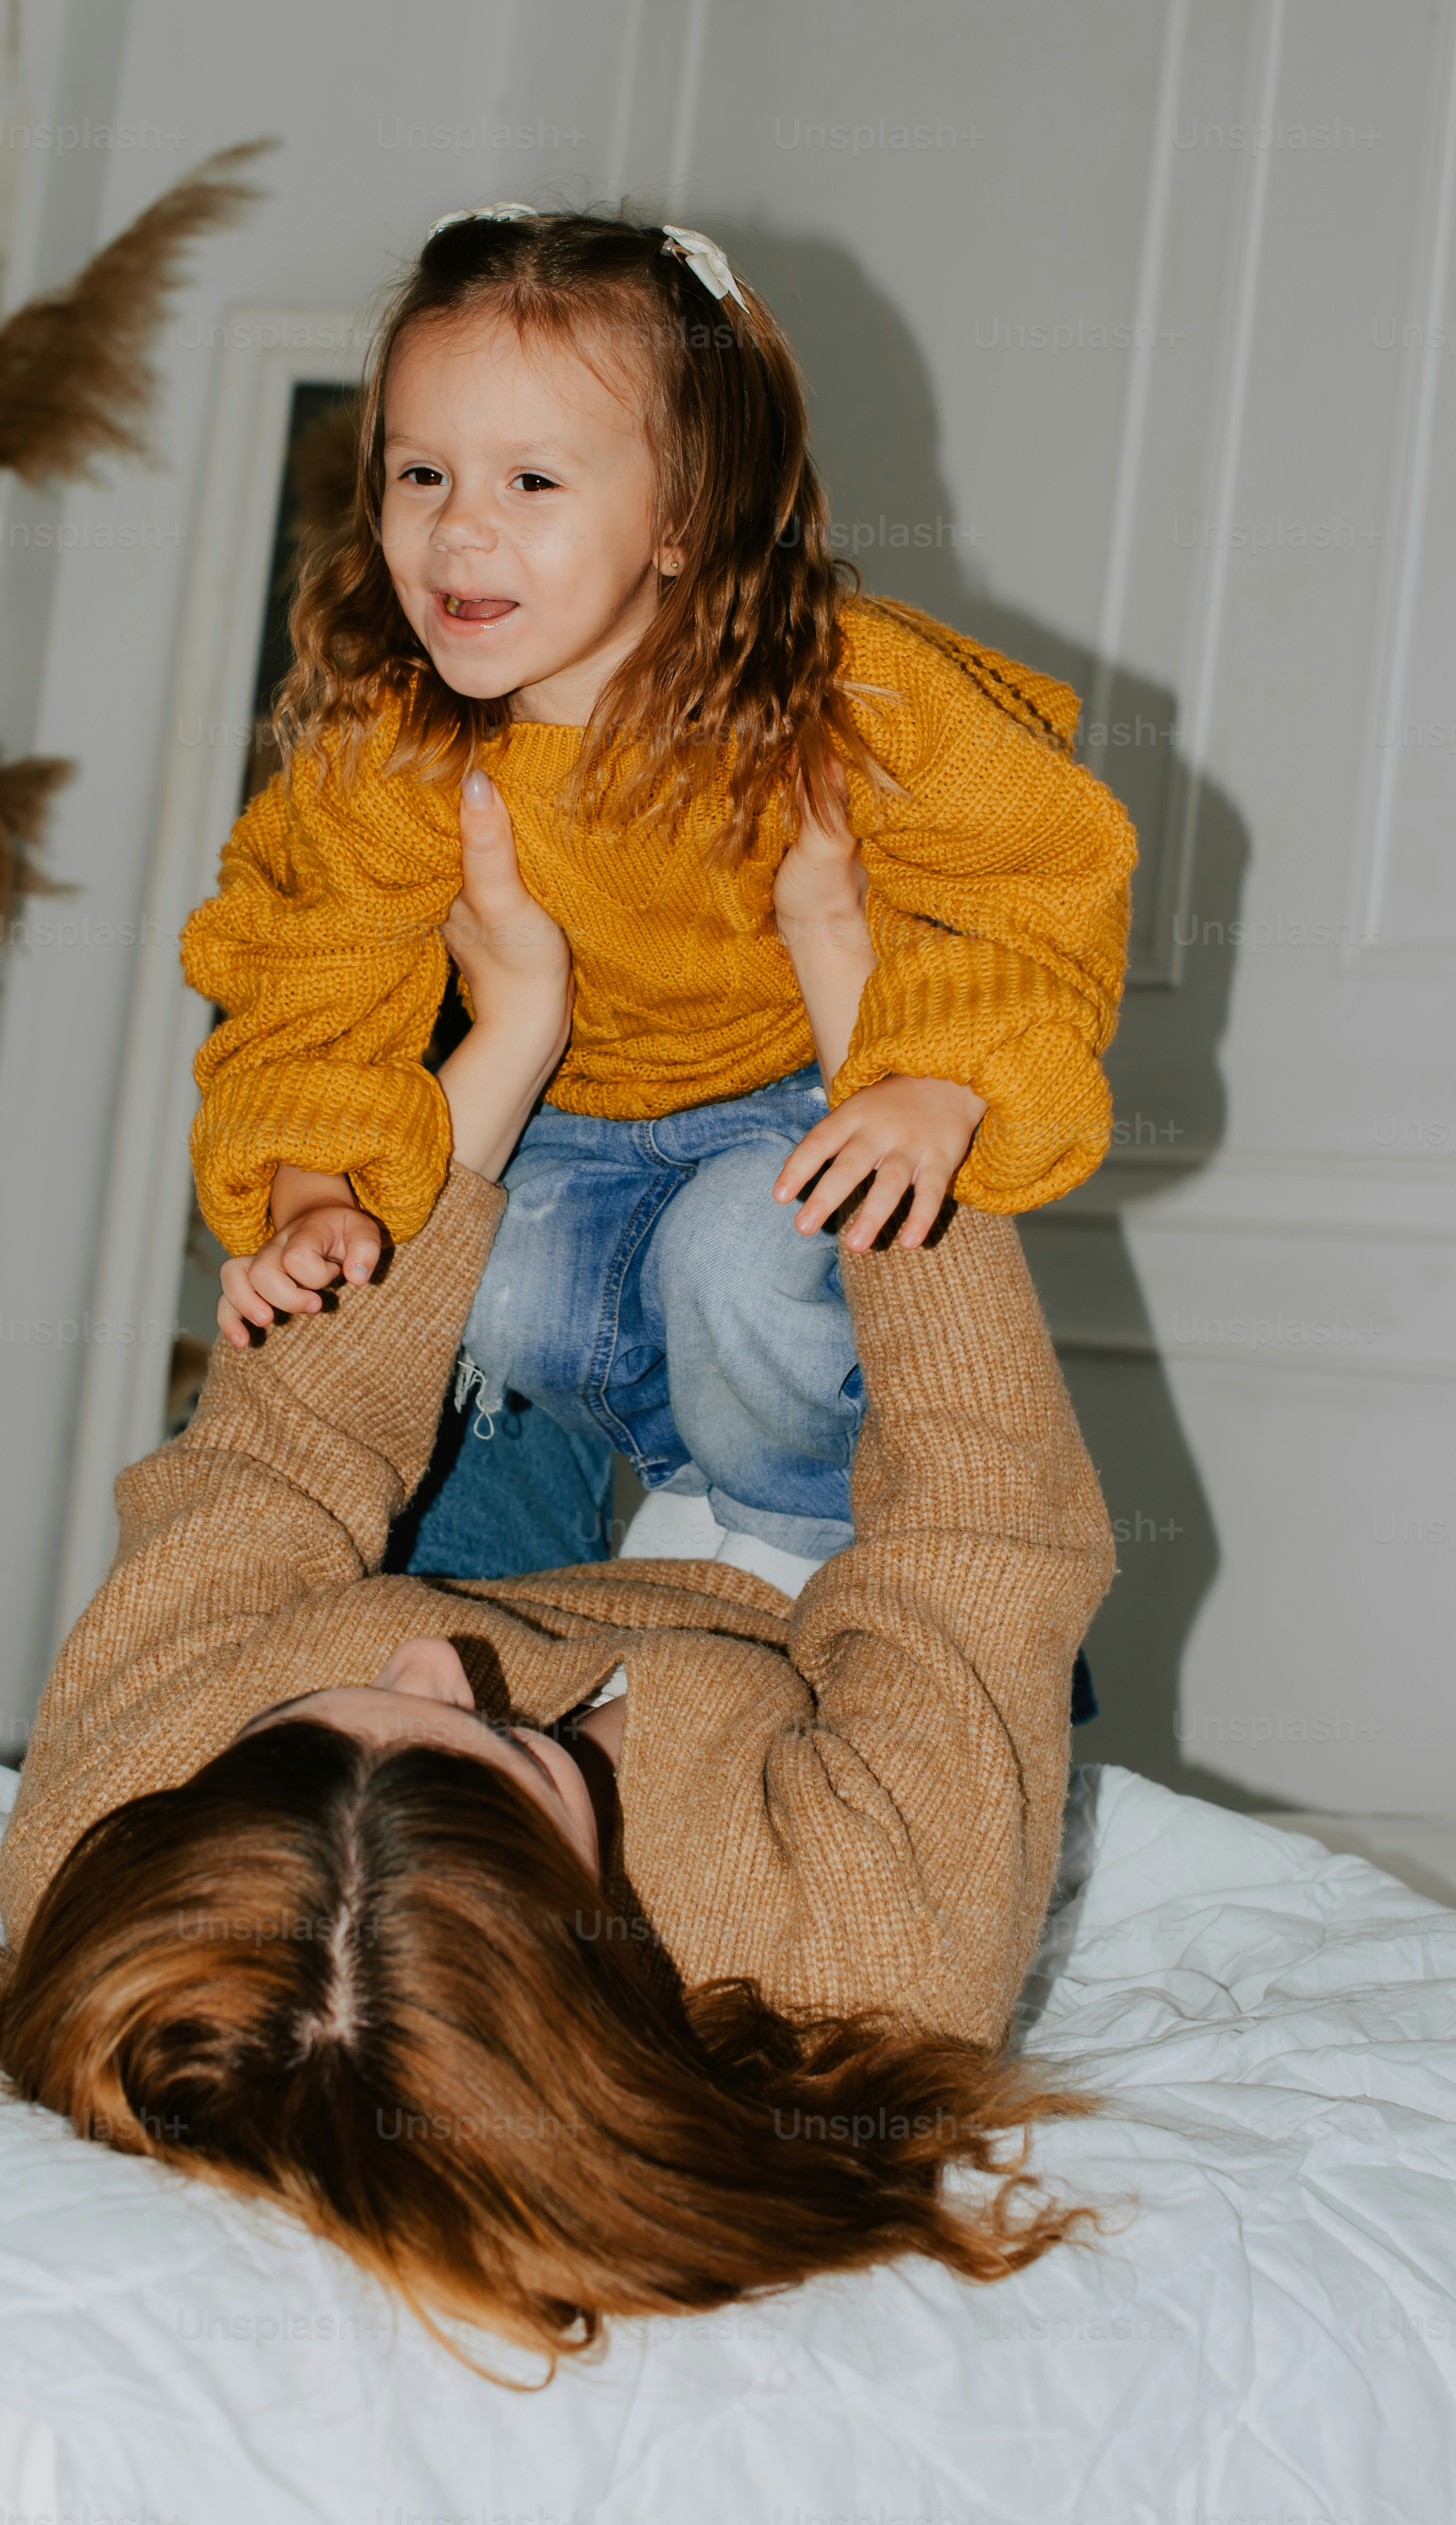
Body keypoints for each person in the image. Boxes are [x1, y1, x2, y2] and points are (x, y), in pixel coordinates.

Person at [0, 789, 1117, 2368]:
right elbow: (982, 1537)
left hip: (530, 1577)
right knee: (744, 1258)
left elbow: (262, 1480)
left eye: (335, 1709)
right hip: (817, 1637)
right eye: (498, 1747)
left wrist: (509, 1029)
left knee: (457, 1273)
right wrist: (853, 985)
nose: (437, 1659)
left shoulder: (129, 1831)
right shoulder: (855, 1955)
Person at [180, 206, 1136, 1599]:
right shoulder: (391, 750)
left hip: (789, 1106)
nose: (458, 533)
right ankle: (688, 1482)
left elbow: (1037, 869)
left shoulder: (844, 692)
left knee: (741, 1258)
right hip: (573, 1130)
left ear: (683, 518)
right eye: (422, 473)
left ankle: (786, 1529)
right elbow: (305, 977)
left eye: (531, 485)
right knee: (485, 1298)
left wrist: (938, 1083)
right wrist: (316, 1193)